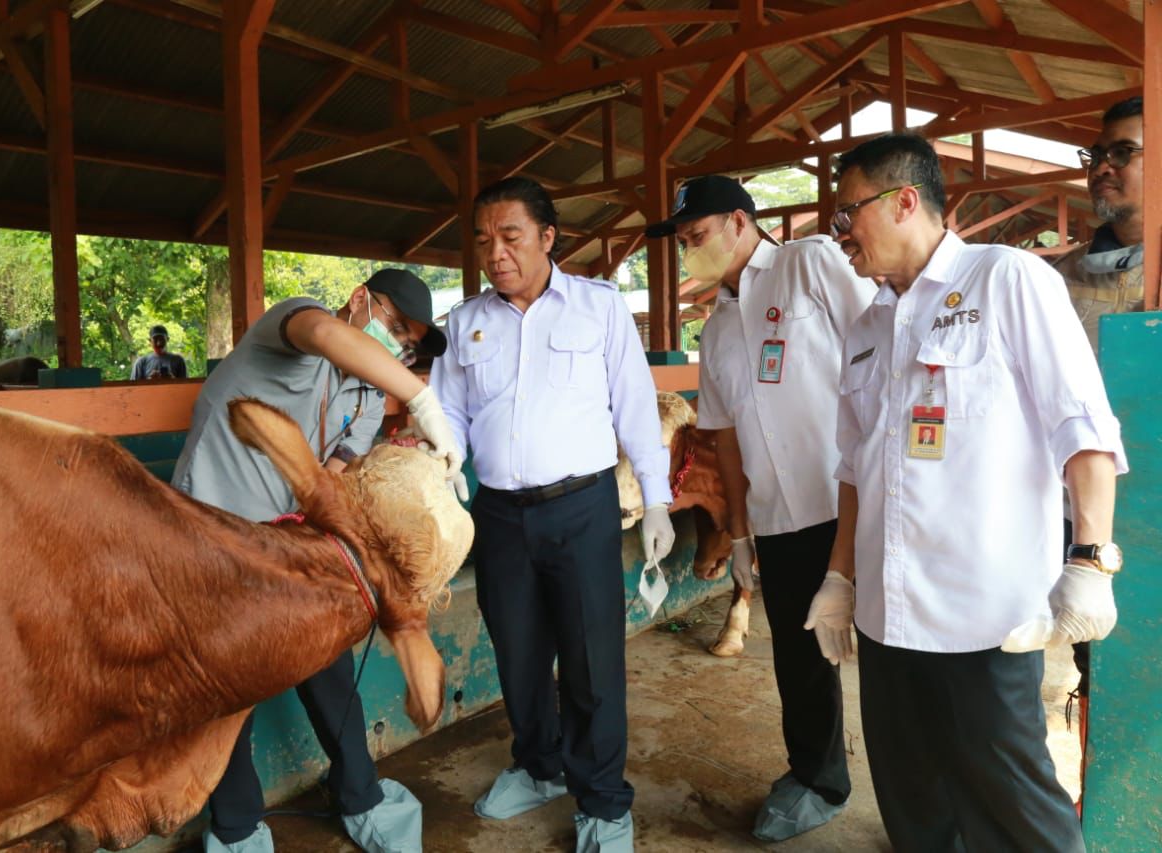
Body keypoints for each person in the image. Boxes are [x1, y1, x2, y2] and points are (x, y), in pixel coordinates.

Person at [809, 132, 1127, 852]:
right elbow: (856, 467)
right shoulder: (865, 328)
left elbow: (1083, 426)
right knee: (913, 805)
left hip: (985, 620)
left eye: (847, 214)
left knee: (1014, 809)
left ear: (904, 201)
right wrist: (838, 576)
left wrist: (1091, 558)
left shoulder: (1006, 279)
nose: (840, 235)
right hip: (887, 621)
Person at [172, 268, 466, 853]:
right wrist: (421, 397)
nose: (400, 346)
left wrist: (405, 454)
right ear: (360, 300)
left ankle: (359, 796)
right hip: (208, 535)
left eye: (408, 344)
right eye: (394, 326)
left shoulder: (362, 400)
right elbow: (330, 337)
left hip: (286, 546)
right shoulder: (296, 329)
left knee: (328, 665)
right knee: (228, 694)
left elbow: (330, 480)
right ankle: (237, 828)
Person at [430, 176, 674, 852]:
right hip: (500, 514)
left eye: (509, 236)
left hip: (583, 507)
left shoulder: (598, 308)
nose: (495, 252)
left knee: (592, 659)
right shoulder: (465, 320)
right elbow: (446, 407)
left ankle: (602, 805)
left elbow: (634, 406)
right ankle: (538, 765)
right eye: (484, 241)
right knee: (519, 653)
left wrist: (657, 499)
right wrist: (446, 466)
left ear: (546, 236)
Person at [646, 174, 875, 842]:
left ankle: (925, 792)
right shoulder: (715, 328)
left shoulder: (809, 263)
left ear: (742, 223)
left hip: (855, 498)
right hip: (781, 519)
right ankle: (818, 776)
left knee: (893, 656)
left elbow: (881, 346)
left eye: (698, 235)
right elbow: (724, 438)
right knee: (799, 661)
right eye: (683, 241)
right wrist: (739, 533)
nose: (690, 250)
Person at [1050, 94, 1144, 756]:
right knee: (1089, 683)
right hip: (1078, 524)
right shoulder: (1055, 280)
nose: (1102, 167)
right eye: (1098, 154)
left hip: (1155, 518)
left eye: (1123, 153)